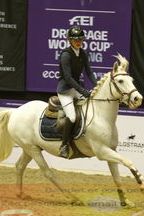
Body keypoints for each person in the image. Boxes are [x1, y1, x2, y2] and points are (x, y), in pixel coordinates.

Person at [56, 25, 97, 158]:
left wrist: (97, 86)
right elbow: (68, 78)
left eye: (80, 39)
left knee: (90, 108)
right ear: (69, 40)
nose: (78, 41)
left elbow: (89, 72)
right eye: (75, 39)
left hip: (76, 88)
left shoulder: (83, 53)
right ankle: (64, 145)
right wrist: (83, 91)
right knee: (72, 117)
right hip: (65, 90)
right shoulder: (66, 55)